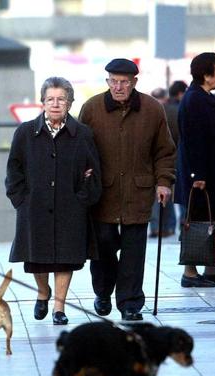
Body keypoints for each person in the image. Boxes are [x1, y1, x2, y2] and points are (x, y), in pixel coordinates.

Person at [79, 58, 176, 321]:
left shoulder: (152, 109)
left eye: (124, 82)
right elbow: (80, 149)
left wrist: (164, 182)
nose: (118, 87)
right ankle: (102, 291)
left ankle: (130, 302)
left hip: (138, 191)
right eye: (114, 81)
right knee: (104, 245)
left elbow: (164, 151)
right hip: (103, 193)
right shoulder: (91, 109)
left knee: (134, 250)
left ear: (134, 82)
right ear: (107, 81)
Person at [6, 76, 101, 325]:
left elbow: (93, 171)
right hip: (34, 206)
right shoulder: (26, 132)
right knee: (37, 258)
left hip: (71, 207)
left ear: (70, 103)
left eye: (61, 99)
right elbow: (13, 170)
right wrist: (21, 200)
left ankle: (59, 307)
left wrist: (82, 199)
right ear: (42, 102)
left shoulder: (82, 134)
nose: (56, 104)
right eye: (50, 99)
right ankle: (42, 292)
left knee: (65, 257)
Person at [174, 52, 215, 288]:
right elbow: (194, 140)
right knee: (198, 221)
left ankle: (210, 269)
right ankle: (190, 273)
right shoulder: (193, 100)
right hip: (203, 177)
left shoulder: (210, 99)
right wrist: (198, 175)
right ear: (206, 75)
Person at [149, 80, 188, 238]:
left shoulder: (151, 111)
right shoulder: (177, 110)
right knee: (171, 191)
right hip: (176, 156)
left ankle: (158, 227)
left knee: (159, 193)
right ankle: (172, 225)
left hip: (155, 158)